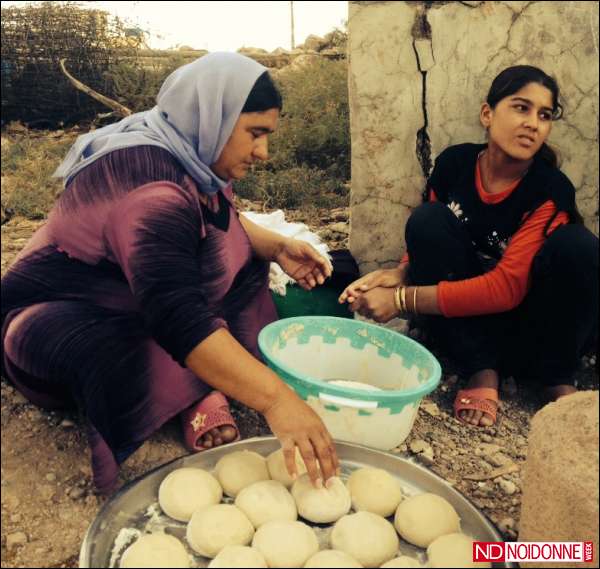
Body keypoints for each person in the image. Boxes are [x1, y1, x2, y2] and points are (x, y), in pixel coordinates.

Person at [1, 52, 339, 493]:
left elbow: (217, 221)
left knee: (242, 273)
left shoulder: (191, 151)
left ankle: (205, 375)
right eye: (256, 134)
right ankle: (193, 388)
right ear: (214, 115)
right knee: (143, 344)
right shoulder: (149, 190)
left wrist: (275, 247)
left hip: (138, 292)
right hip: (62, 318)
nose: (263, 153)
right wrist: (278, 401)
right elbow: (178, 316)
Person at [339, 65, 598, 427]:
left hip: (533, 328)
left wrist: (401, 300)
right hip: (469, 327)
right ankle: (481, 371)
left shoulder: (549, 189)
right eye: (521, 108)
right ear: (487, 114)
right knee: (428, 219)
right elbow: (429, 241)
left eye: (544, 115)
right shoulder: (455, 164)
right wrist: (399, 273)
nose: (533, 123)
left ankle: (557, 380)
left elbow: (507, 288)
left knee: (579, 245)